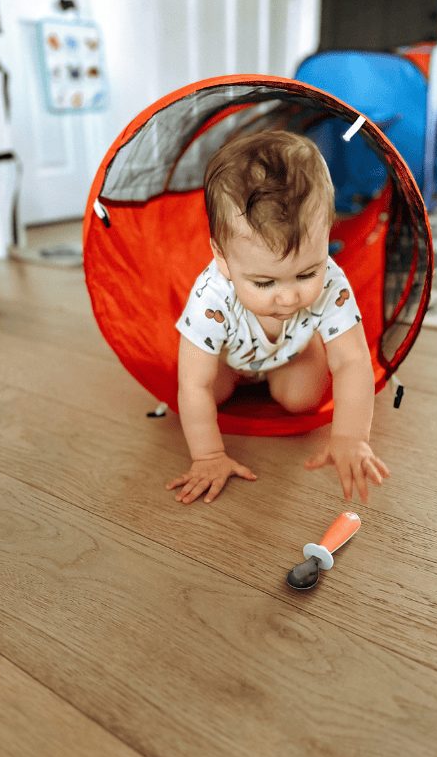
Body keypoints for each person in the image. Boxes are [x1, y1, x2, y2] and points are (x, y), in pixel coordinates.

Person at [166, 130, 389, 505]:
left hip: (292, 350)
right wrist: (208, 457)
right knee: (206, 393)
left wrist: (351, 437)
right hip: (228, 356)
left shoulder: (332, 280)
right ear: (222, 257)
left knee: (302, 399)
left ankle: (314, 343)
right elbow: (193, 384)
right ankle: (242, 375)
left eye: (305, 274)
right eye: (265, 281)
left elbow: (352, 362)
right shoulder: (212, 296)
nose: (288, 297)